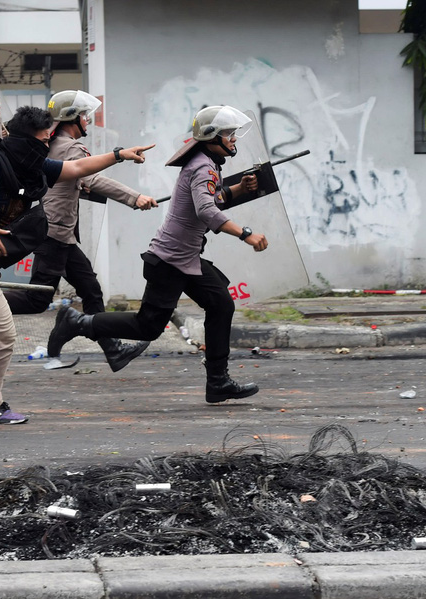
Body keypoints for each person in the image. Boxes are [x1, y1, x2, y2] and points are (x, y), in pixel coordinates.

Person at [0, 105, 154, 424]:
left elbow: (76, 168)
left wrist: (119, 154)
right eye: (43, 138)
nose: (47, 143)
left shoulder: (32, 166)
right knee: (2, 337)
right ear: (27, 139)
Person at [47, 105, 269, 404]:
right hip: (170, 261)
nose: (233, 139)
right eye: (228, 134)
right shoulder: (202, 165)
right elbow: (206, 210)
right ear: (211, 136)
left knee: (221, 306)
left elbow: (212, 198)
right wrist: (245, 234)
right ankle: (77, 323)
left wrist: (240, 188)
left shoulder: (207, 163)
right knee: (147, 325)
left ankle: (218, 382)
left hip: (186, 259)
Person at [4, 90, 159, 372]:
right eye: (84, 115)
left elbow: (73, 180)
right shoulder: (71, 147)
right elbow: (92, 177)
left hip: (61, 235)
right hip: (54, 234)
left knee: (91, 290)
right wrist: (134, 197)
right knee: (36, 299)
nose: (87, 120)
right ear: (72, 118)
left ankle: (114, 351)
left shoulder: (51, 143)